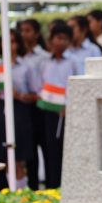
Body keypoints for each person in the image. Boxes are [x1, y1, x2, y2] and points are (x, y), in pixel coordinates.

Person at [0, 29, 39, 190]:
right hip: (0, 108)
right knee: (1, 154)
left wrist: (19, 95)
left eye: (13, 41)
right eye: (6, 41)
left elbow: (36, 93)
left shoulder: (26, 65)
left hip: (19, 110)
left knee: (18, 155)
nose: (10, 45)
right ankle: (4, 189)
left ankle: (21, 191)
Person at [36, 23, 79, 189]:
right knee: (49, 149)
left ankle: (66, 186)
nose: (61, 42)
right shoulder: (44, 62)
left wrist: (70, 106)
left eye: (65, 39)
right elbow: (40, 85)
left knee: (64, 150)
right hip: (47, 110)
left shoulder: (73, 62)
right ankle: (51, 185)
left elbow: (76, 85)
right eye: (58, 38)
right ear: (50, 40)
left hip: (66, 111)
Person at [18, 19, 50, 190]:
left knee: (45, 146)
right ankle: (32, 186)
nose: (24, 34)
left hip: (42, 106)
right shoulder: (18, 57)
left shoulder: (44, 56)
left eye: (28, 30)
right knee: (28, 150)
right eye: (22, 30)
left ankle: (51, 185)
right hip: (24, 107)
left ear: (37, 33)